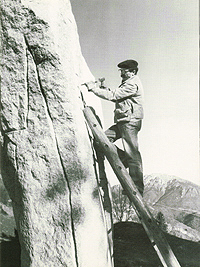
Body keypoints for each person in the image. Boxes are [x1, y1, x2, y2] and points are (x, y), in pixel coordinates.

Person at [85, 59, 144, 196]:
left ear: (132, 72)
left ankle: (137, 188)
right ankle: (123, 158)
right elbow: (117, 93)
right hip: (123, 121)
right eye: (121, 71)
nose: (121, 73)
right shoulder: (128, 82)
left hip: (130, 122)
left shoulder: (133, 84)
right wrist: (103, 88)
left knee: (133, 154)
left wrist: (94, 89)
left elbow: (114, 95)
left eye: (124, 71)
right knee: (102, 140)